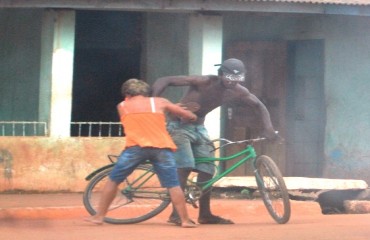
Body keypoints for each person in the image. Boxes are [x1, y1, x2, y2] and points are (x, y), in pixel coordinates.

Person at [152, 58, 279, 225]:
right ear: (220, 74)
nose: (233, 82)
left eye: (237, 79)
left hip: (199, 128)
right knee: (185, 166)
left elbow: (259, 106)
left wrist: (268, 128)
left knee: (207, 169)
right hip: (178, 126)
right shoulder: (204, 81)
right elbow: (164, 80)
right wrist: (151, 104)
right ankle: (176, 214)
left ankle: (205, 215)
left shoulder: (239, 91)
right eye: (229, 78)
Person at [85, 78, 197, 228]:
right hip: (161, 148)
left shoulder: (122, 106)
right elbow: (187, 116)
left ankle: (99, 216)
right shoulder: (159, 102)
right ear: (146, 93)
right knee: (173, 185)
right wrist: (189, 114)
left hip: (135, 148)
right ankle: (185, 220)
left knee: (113, 180)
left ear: (127, 94)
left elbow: (139, 115)